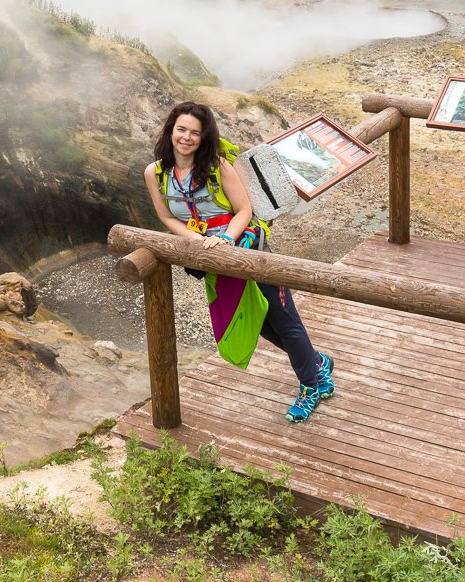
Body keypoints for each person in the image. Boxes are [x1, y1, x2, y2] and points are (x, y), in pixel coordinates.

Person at [144, 101, 336, 423]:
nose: (187, 138)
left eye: (195, 132)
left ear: (204, 137)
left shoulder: (217, 166)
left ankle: (310, 384)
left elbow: (244, 210)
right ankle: (315, 361)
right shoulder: (156, 173)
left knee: (285, 319)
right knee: (257, 322)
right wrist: (197, 242)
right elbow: (166, 216)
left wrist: (225, 241)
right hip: (210, 258)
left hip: (247, 251)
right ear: (170, 130)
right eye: (181, 130)